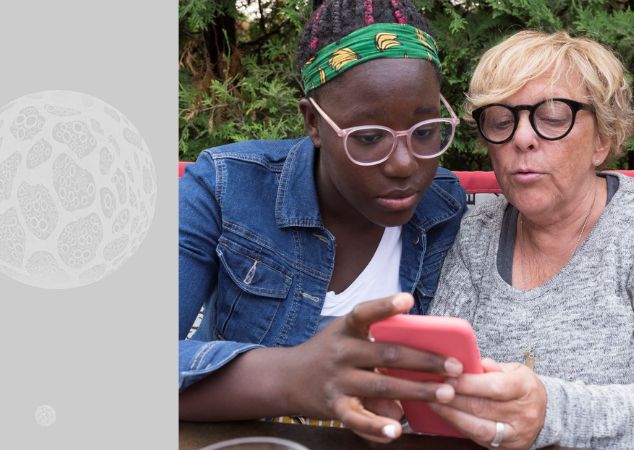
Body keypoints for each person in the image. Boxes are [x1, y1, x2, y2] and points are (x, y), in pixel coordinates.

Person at [178, 0, 467, 443]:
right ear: (313, 122)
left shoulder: (448, 210)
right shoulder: (225, 187)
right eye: (368, 139)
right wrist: (291, 378)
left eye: (426, 131)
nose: (405, 164)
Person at [428, 30, 634, 449]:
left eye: (551, 117)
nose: (521, 138)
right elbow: (434, 378)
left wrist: (553, 413)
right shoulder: (477, 232)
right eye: (500, 120)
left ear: (603, 138)